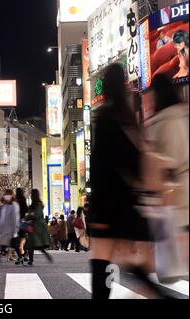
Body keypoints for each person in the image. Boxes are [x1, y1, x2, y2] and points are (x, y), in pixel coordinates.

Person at [88, 63, 166, 299]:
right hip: (126, 203)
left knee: (101, 262)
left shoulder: (105, 118)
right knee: (132, 263)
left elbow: (99, 166)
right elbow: (134, 162)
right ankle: (161, 294)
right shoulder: (129, 118)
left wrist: (96, 208)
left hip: (107, 204)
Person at [148, 73, 189, 280]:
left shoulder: (166, 120)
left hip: (173, 195)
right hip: (179, 193)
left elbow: (168, 161)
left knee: (175, 254)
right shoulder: (181, 115)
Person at [0, 190, 20, 264]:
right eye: (5, 195)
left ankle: (21, 256)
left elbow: (15, 218)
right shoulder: (4, 205)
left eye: (8, 195)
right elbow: (1, 218)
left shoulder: (14, 205)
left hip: (11, 228)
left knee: (14, 245)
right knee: (4, 244)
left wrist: (15, 229)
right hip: (4, 229)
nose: (6, 196)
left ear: (12, 196)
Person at [25, 189, 53, 266]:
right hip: (36, 226)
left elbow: (36, 215)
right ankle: (33, 259)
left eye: (31, 194)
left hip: (36, 227)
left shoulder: (37, 204)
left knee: (33, 244)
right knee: (35, 244)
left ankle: (31, 261)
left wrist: (27, 216)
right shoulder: (37, 204)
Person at [15, 188, 29, 264]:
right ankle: (23, 251)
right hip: (23, 221)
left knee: (16, 238)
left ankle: (20, 255)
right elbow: (26, 210)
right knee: (23, 236)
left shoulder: (15, 201)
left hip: (16, 222)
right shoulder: (23, 200)